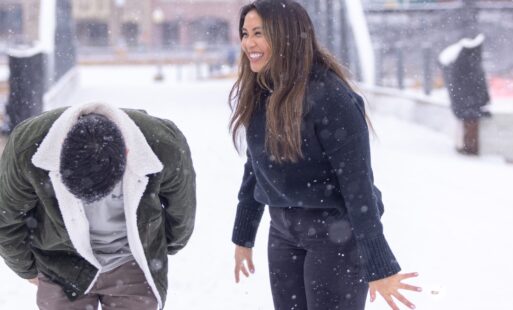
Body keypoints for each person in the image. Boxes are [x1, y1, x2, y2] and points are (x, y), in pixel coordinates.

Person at [229, 1, 420, 309]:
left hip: (336, 236)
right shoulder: (263, 91)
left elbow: (358, 185)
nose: (248, 43)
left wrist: (378, 264)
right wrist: (243, 234)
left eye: (259, 33)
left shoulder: (331, 96)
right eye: (245, 33)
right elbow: (256, 168)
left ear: (286, 35)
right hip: (283, 232)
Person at [0, 102, 196, 310]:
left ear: (127, 153)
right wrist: (27, 269)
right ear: (60, 151)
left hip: (133, 264)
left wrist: (160, 248)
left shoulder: (164, 145)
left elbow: (181, 208)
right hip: (60, 261)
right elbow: (6, 218)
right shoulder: (27, 147)